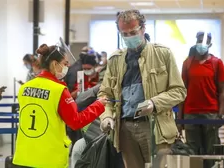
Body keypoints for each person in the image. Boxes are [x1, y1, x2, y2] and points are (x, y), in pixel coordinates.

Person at [98, 9, 186, 168]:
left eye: (133, 32)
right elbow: (105, 94)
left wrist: (154, 102)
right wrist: (106, 116)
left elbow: (179, 91)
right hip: (125, 129)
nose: (129, 37)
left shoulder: (162, 54)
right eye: (124, 34)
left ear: (143, 28)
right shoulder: (115, 60)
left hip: (155, 127)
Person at [13, 44, 108, 168]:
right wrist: (98, 105)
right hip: (49, 157)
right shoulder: (59, 90)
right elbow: (76, 121)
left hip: (24, 155)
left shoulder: (24, 88)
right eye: (65, 63)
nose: (67, 67)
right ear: (54, 64)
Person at [178, 32, 224, 168]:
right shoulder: (187, 64)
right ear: (195, 42)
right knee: (193, 152)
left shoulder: (217, 63)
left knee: (211, 151)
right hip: (190, 114)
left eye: (205, 42)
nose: (202, 45)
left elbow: (222, 91)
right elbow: (182, 92)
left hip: (211, 113)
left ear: (210, 44)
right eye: (199, 41)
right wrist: (180, 120)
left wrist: (220, 114)